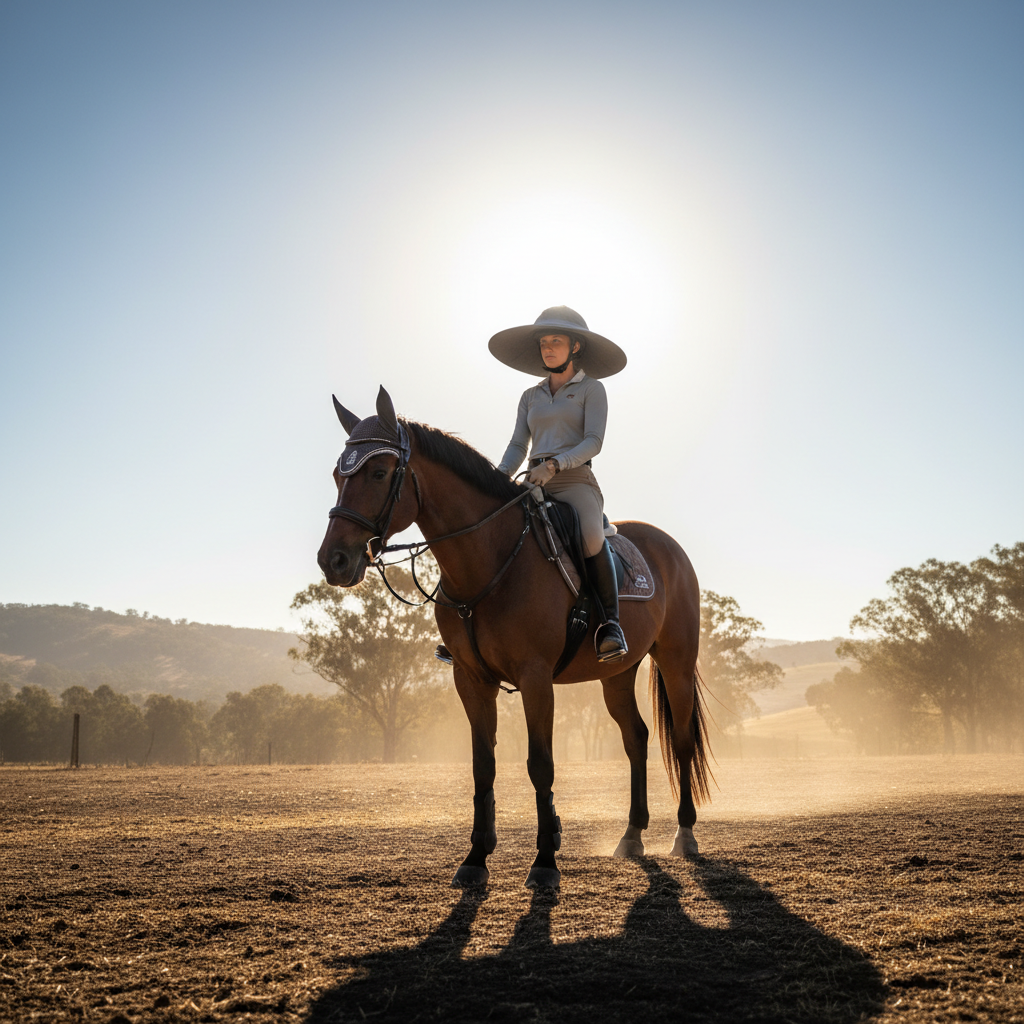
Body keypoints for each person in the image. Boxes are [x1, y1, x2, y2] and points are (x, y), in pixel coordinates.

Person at [489, 305, 629, 662]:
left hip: (574, 479)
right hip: (532, 481)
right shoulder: (530, 397)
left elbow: (593, 441)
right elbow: (519, 444)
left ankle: (611, 624)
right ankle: (475, 627)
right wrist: (498, 476)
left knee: (592, 536)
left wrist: (554, 464)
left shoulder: (591, 389)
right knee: (492, 530)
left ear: (575, 347)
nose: (548, 348)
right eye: (543, 342)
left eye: (556, 341)